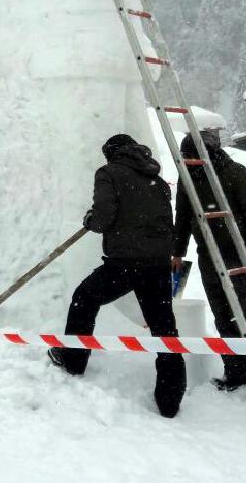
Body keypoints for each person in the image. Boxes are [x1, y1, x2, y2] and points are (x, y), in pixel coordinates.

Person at [48, 134, 187, 418]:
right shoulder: (157, 180)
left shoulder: (108, 173)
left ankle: (73, 359)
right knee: (164, 330)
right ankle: (170, 399)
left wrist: (90, 219)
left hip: (125, 261)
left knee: (84, 298)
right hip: (157, 264)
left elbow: (103, 218)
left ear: (111, 153)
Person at [172, 130, 246, 395]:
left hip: (237, 256)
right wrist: (177, 251)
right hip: (208, 255)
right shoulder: (186, 178)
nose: (187, 161)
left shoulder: (235, 173)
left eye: (191, 156)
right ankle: (236, 374)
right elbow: (184, 216)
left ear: (206, 154)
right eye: (185, 157)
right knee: (223, 317)